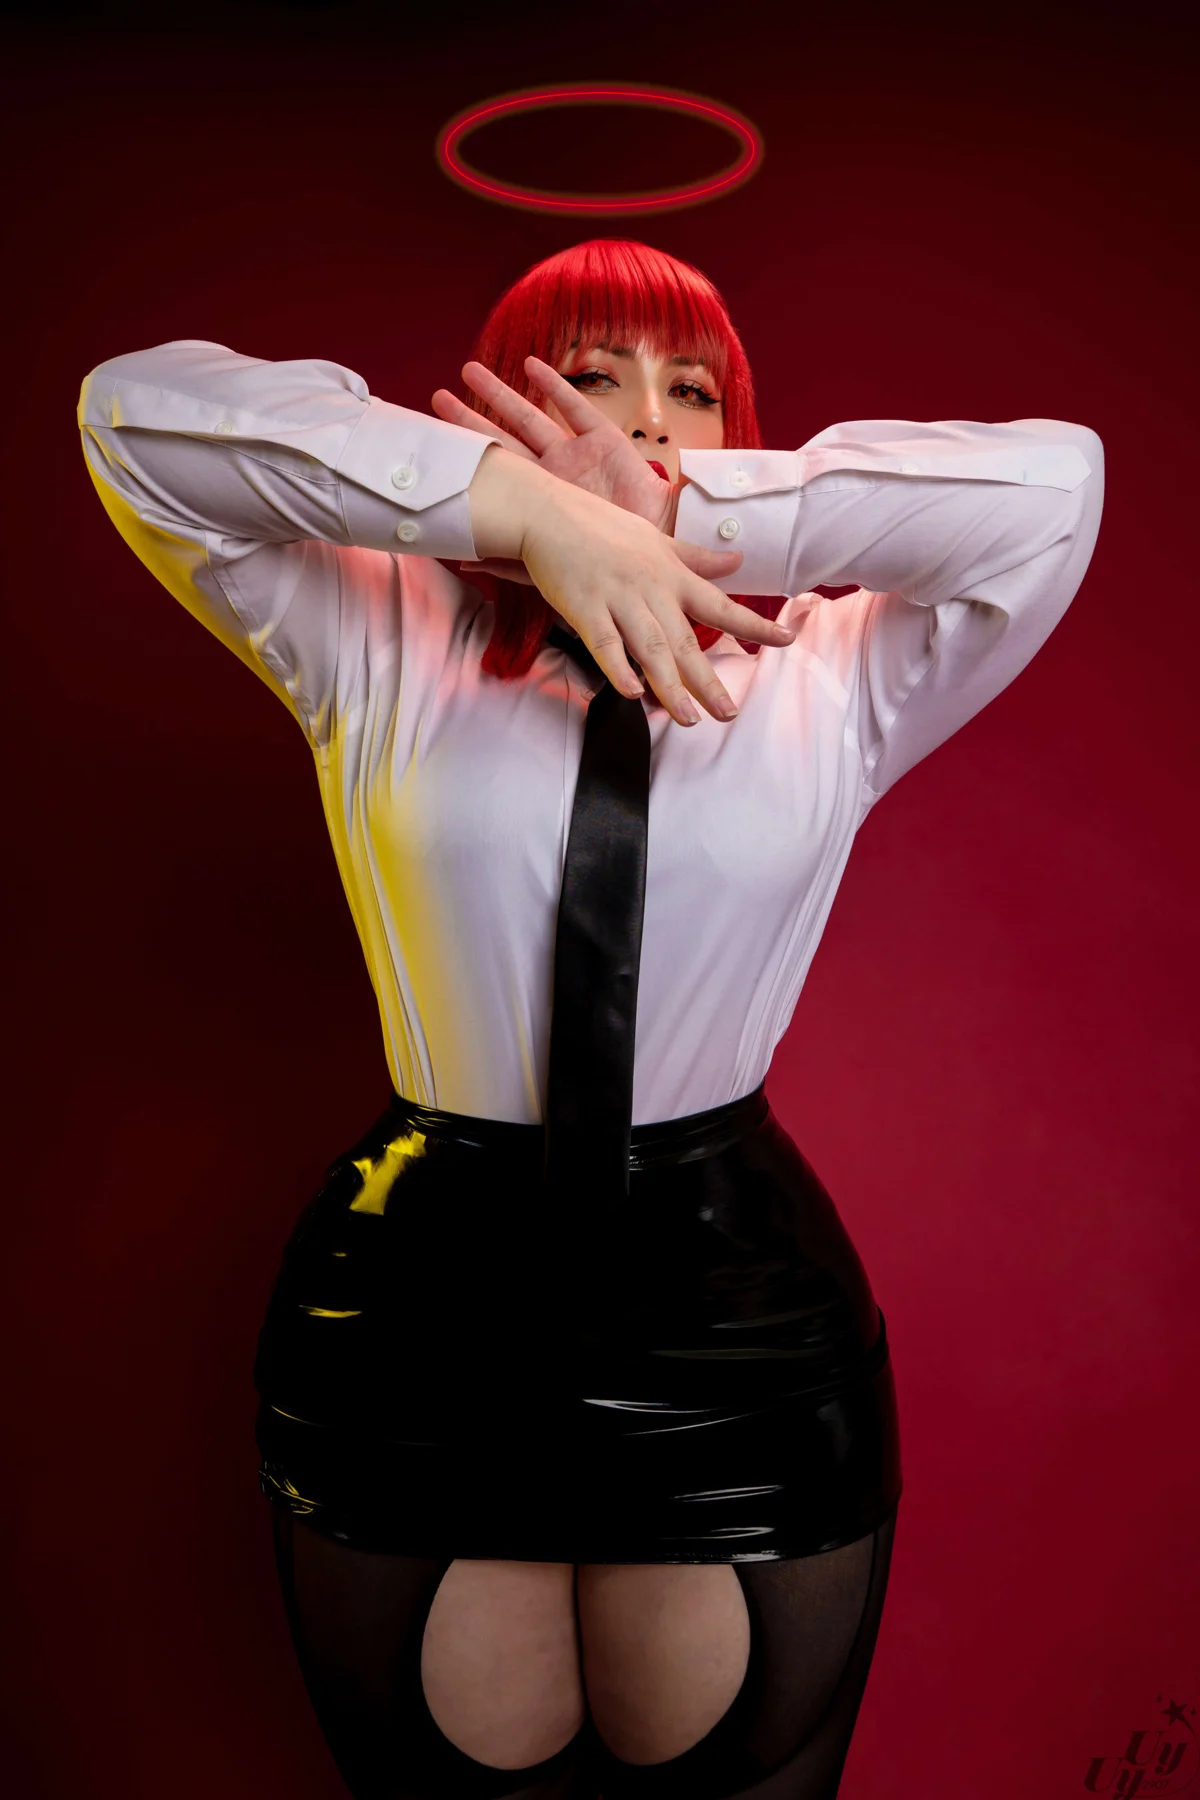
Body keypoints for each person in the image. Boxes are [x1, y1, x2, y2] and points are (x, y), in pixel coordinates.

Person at [77, 237, 1104, 1800]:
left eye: (690, 393)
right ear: (509, 409)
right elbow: (133, 415)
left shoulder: (830, 673)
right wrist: (516, 513)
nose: (642, 420)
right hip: (416, 1320)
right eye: (593, 378)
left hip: (736, 1319)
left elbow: (1056, 490)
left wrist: (682, 515)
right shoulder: (371, 631)